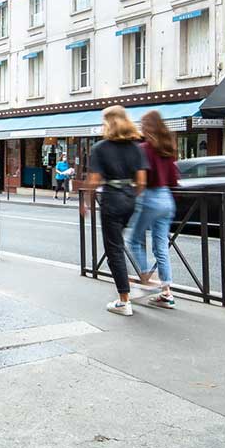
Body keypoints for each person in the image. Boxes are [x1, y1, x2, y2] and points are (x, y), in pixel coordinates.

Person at [82, 106, 146, 316]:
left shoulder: (100, 148)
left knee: (114, 250)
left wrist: (86, 202)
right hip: (129, 198)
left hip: (111, 199)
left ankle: (124, 300)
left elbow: (94, 180)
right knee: (121, 244)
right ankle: (131, 284)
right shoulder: (136, 147)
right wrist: (131, 196)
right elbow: (141, 181)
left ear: (107, 123)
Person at [129, 111, 180, 309]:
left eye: (143, 124)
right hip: (167, 199)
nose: (141, 127)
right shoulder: (168, 150)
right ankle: (167, 292)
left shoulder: (143, 149)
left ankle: (145, 280)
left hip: (150, 197)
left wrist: (134, 197)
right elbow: (174, 181)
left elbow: (140, 180)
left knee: (133, 240)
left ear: (149, 127)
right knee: (161, 247)